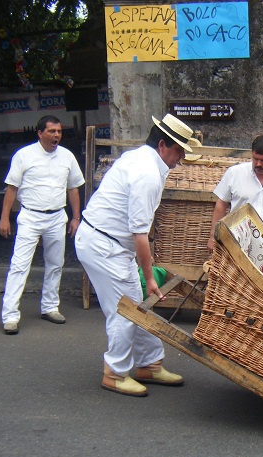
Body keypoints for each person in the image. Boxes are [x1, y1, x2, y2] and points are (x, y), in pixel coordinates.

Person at [75, 113, 190, 397]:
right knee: (125, 309)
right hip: (104, 244)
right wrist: (149, 277)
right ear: (163, 145)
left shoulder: (141, 158)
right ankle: (114, 372)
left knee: (136, 304)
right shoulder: (147, 173)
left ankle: (150, 364)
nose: (181, 159)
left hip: (108, 242)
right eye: (179, 151)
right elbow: (141, 234)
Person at [0, 115, 84, 335]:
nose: (56, 135)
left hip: (57, 216)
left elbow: (73, 188)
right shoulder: (24, 155)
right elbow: (12, 188)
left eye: (59, 131)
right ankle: (10, 316)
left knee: (56, 264)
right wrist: (4, 217)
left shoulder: (67, 156)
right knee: (19, 265)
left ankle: (49, 307)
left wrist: (76, 217)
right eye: (52, 131)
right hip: (30, 216)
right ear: (40, 133)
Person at [207, 134, 263, 261]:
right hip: (233, 241)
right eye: (255, 159)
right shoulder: (235, 173)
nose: (258, 164)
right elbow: (221, 203)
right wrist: (213, 237)